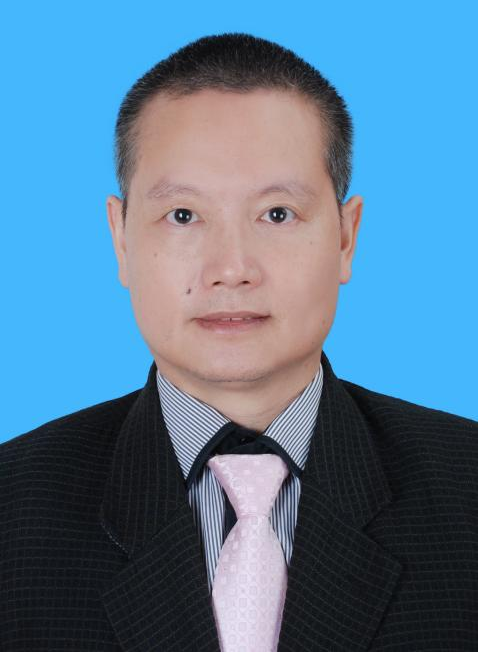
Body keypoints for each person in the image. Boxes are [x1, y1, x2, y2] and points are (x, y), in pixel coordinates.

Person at [1, 32, 477, 652]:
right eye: (183, 215)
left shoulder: (467, 490)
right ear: (120, 238)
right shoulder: (13, 509)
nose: (231, 269)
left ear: (345, 237)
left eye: (277, 214)